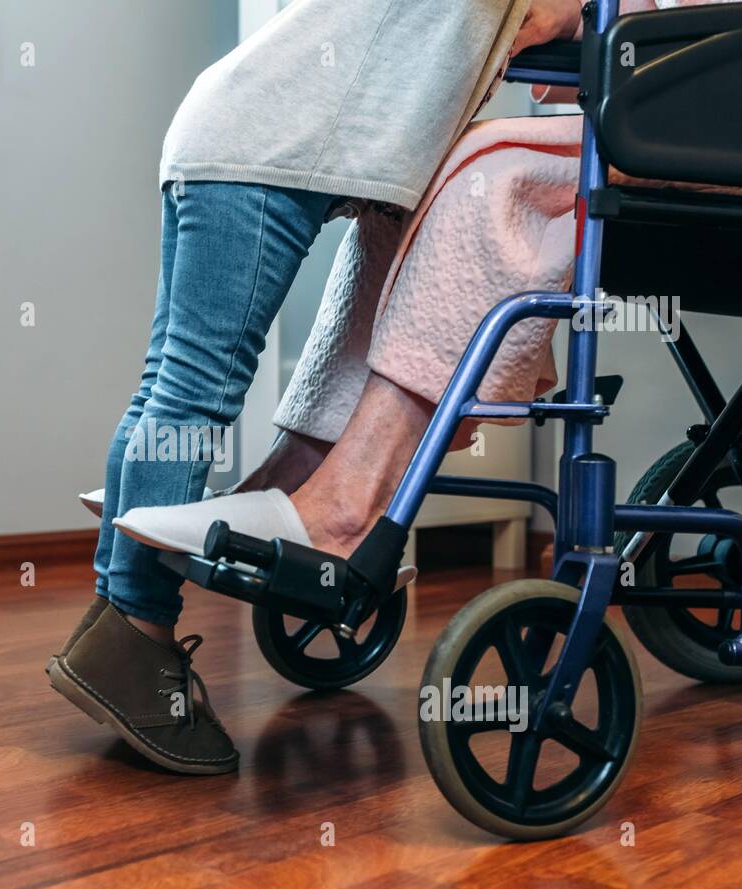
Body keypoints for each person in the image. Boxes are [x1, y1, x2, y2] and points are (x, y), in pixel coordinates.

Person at [48, 0, 589, 776]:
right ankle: (137, 639)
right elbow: (561, 20)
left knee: (168, 386)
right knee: (195, 393)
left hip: (228, 134)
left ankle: (113, 619)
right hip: (267, 151)